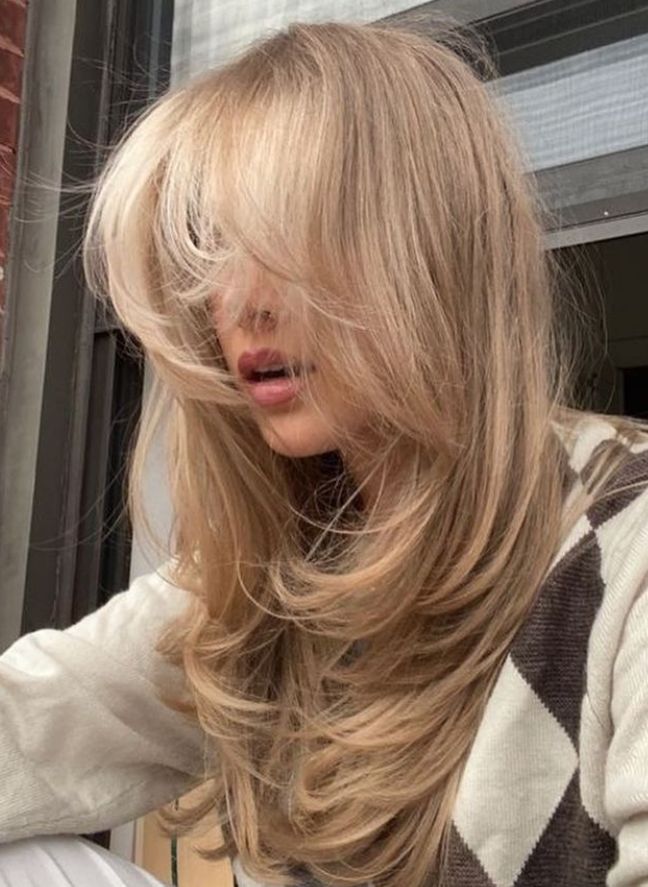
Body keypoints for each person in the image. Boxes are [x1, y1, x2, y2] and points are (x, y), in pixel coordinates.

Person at [1, 17, 648, 887]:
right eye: (212, 247)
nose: (240, 303)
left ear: (433, 247)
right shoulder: (275, 566)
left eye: (293, 237)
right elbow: (31, 717)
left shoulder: (624, 544)